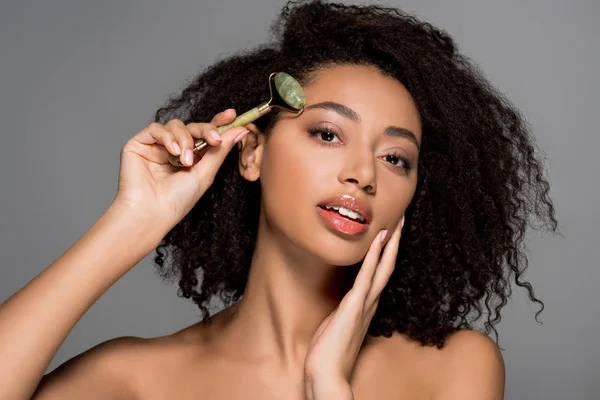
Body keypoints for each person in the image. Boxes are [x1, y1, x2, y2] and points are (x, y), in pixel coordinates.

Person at [0, 1, 558, 399]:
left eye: (395, 159)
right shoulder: (133, 380)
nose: (363, 174)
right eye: (327, 134)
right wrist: (132, 222)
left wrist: (328, 388)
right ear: (251, 155)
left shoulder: (453, 370)